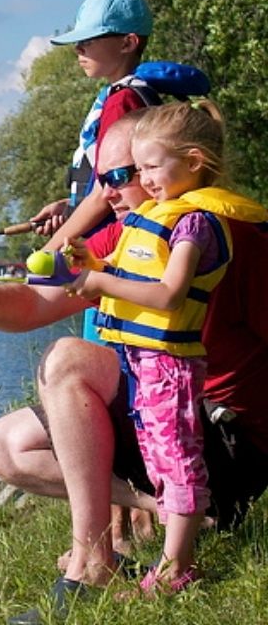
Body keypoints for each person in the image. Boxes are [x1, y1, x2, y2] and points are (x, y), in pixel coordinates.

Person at [0, 114, 268, 621]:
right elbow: (31, 304)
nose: (105, 194)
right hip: (161, 424)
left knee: (68, 359)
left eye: (121, 175)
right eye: (99, 179)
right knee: (7, 446)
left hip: (231, 442)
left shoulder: (234, 237)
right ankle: (183, 511)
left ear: (180, 166)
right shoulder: (130, 235)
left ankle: (93, 562)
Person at [66, 101, 267, 595]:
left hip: (172, 366)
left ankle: (177, 569)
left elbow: (169, 294)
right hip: (147, 364)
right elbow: (122, 265)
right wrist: (89, 260)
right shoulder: (155, 218)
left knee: (177, 460)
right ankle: (172, 556)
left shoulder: (195, 224)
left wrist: (100, 284)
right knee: (160, 459)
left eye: (151, 167)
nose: (144, 180)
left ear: (193, 161)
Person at [34, 0, 154, 246]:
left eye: (88, 41)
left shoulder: (122, 103)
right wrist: (69, 206)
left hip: (110, 241)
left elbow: (106, 191)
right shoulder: (135, 92)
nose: (78, 48)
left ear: (128, 43)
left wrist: (50, 249)